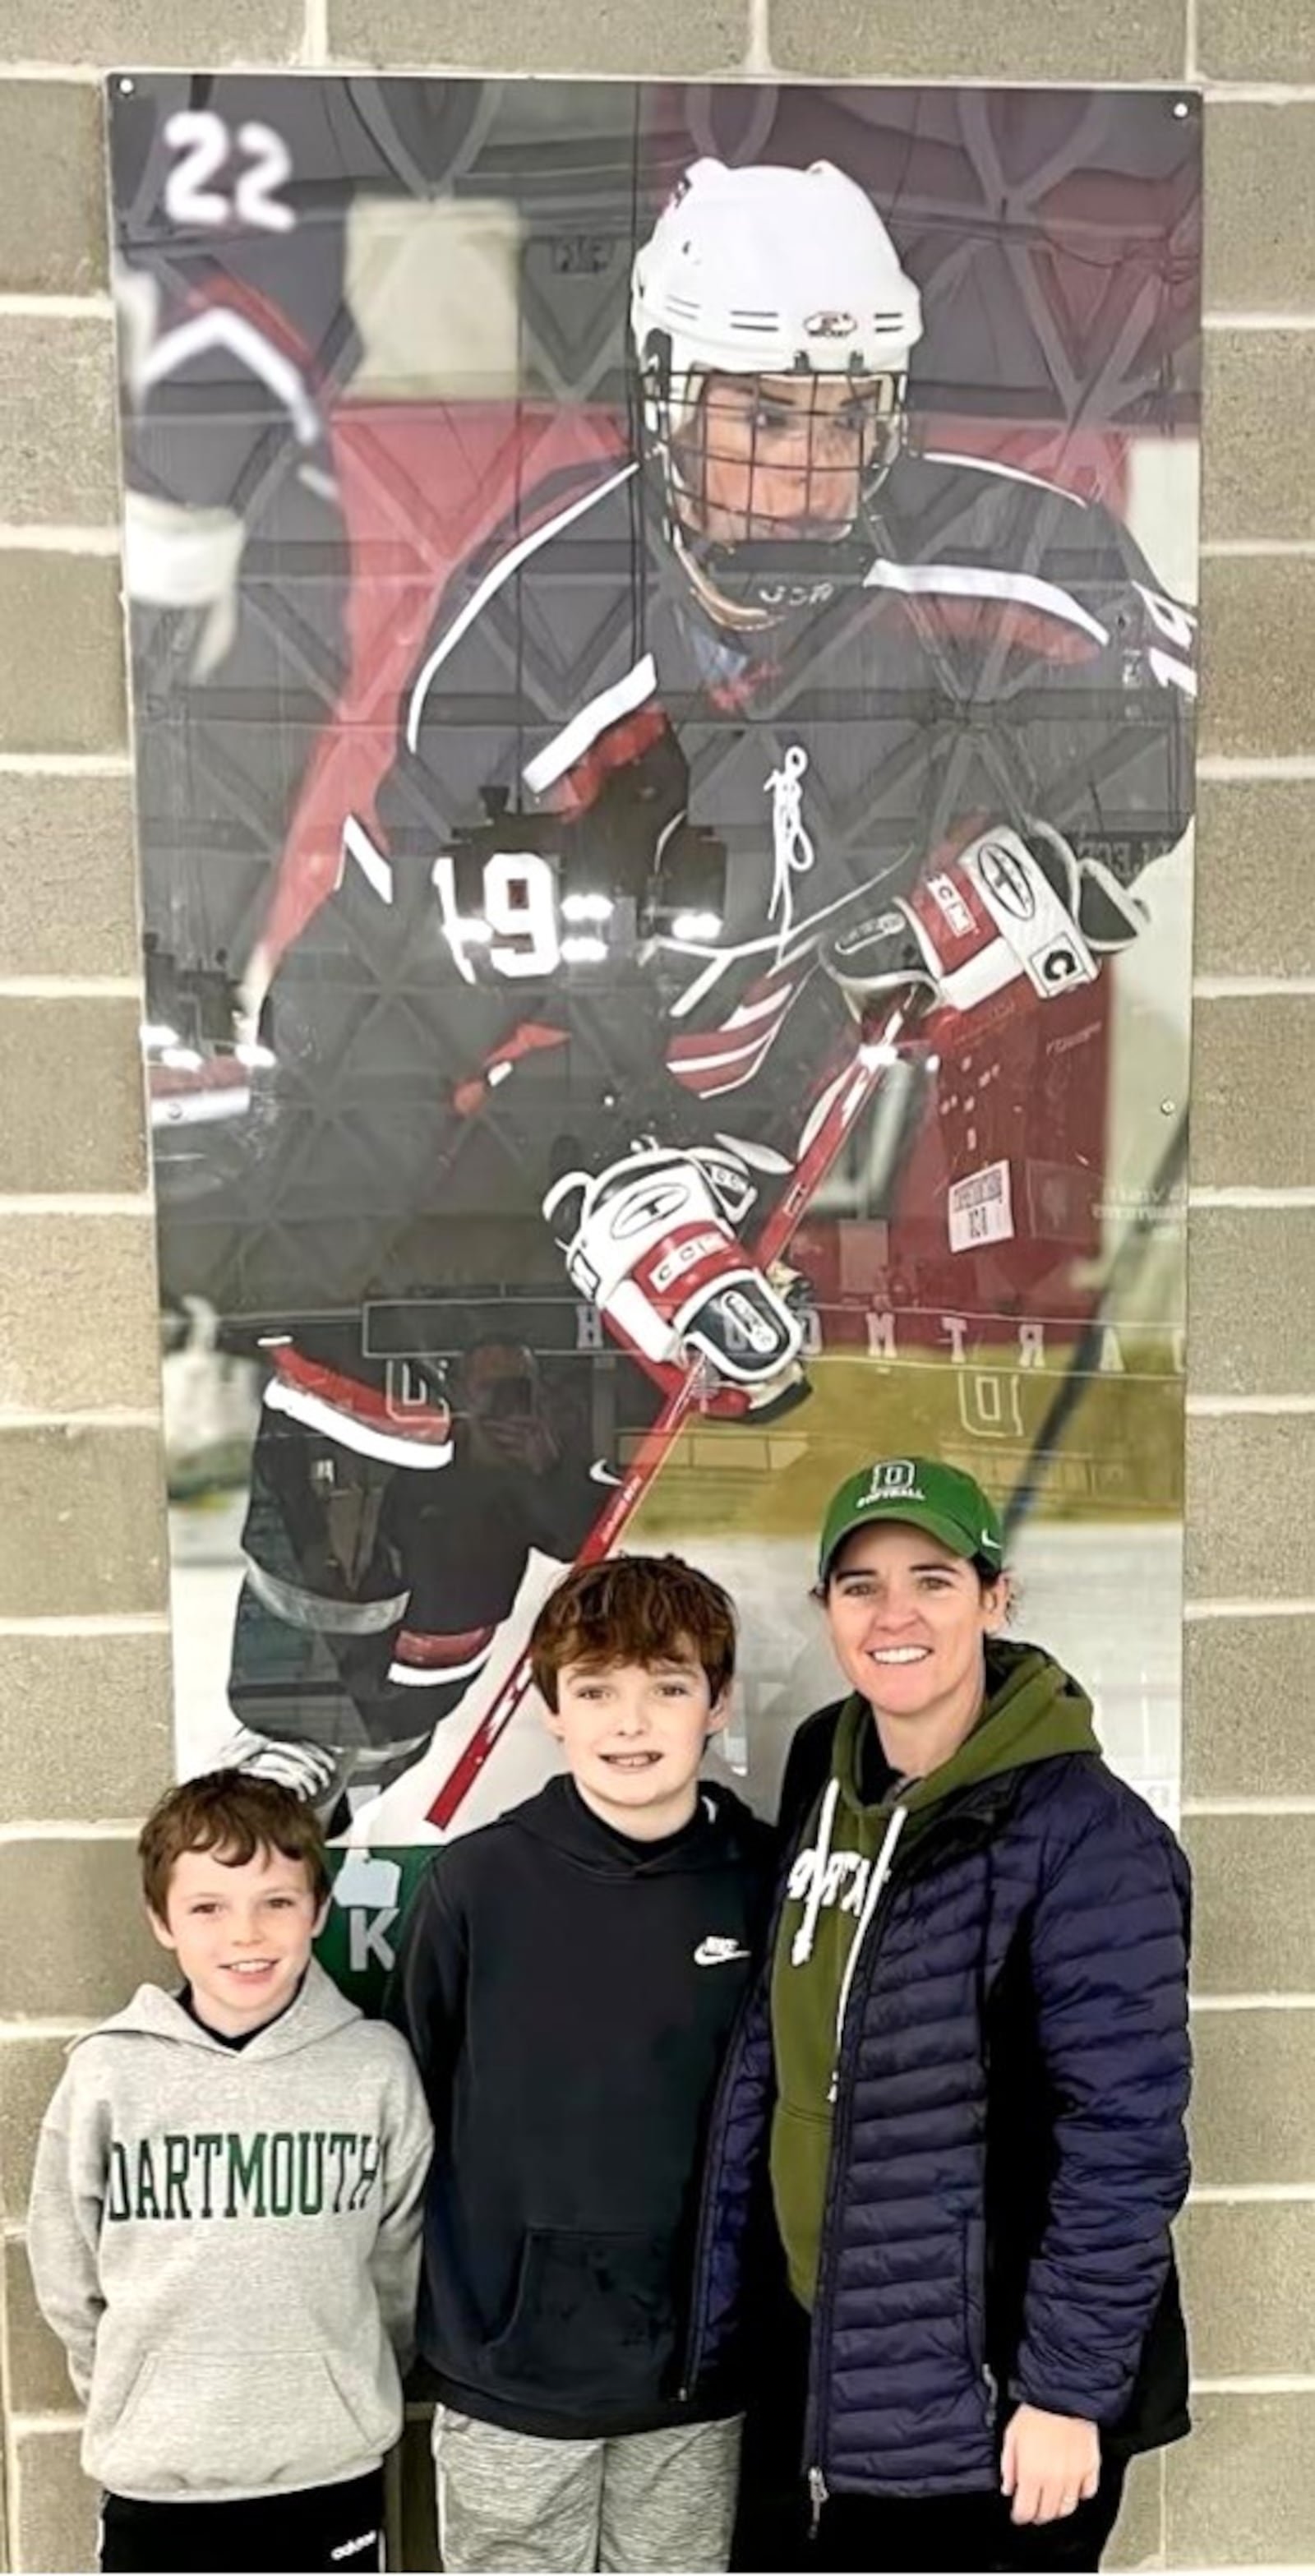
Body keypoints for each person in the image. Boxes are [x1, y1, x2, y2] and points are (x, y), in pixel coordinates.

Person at [186, 146, 1194, 1821]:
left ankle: (435, 1678)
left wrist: (1041, 865)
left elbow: (1164, 710)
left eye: (835, 415)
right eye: (754, 418)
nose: (798, 473)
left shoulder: (982, 551)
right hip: (452, 1079)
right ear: (665, 403)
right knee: (407, 1384)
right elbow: (428, 1035)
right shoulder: (542, 648)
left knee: (581, 1457)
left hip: (742, 1067)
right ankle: (317, 1751)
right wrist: (603, 1192)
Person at [684, 1456, 1192, 2574]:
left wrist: (1065, 2392)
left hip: (991, 2402)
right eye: (860, 1585)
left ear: (994, 1597)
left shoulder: (1086, 1833)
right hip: (826, 2362)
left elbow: (1127, 2141)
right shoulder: (827, 1761)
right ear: (826, 1610)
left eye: (933, 1577)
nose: (895, 1613)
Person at [386, 1552, 775, 2573]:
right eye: (596, 1688)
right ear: (552, 1706)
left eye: (668, 1685)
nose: (631, 1722)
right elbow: (418, 2096)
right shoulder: (477, 1883)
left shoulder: (765, 1884)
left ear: (718, 1701)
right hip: (510, 2370)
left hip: (693, 2375)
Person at [26, 1771, 433, 2575]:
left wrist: (344, 2382)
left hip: (330, 2467)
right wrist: (137, 2390)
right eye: (207, 1906)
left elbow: (398, 2267)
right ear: (161, 1918)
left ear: (318, 1909)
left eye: (276, 1901)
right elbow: (68, 2273)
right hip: (158, 2482)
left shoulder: (375, 2066)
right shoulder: (109, 2073)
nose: (245, 1933)